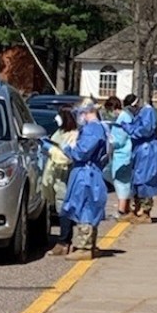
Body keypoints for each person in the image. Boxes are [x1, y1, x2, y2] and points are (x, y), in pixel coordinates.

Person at [59, 101, 109, 260]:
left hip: (86, 174)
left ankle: (84, 247)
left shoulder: (92, 129)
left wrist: (68, 148)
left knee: (84, 207)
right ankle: (90, 245)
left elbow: (82, 152)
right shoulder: (100, 128)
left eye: (80, 113)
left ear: (85, 113)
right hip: (90, 172)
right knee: (88, 206)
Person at [120, 93, 157, 223]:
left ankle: (145, 212)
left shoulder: (148, 112)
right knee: (135, 181)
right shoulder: (140, 113)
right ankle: (135, 209)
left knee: (145, 181)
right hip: (139, 150)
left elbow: (145, 130)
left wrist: (129, 128)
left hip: (148, 151)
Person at [40, 106, 78, 256]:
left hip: (64, 177)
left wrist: (50, 149)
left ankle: (64, 241)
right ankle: (65, 242)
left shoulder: (73, 135)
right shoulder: (60, 132)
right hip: (55, 177)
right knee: (59, 206)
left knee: (64, 209)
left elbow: (67, 157)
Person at [103, 95, 133, 219]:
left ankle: (122, 210)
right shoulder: (123, 117)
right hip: (119, 155)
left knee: (121, 182)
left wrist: (108, 142)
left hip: (123, 155)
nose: (109, 114)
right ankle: (126, 206)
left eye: (109, 110)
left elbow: (119, 139)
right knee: (108, 174)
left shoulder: (123, 119)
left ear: (113, 108)